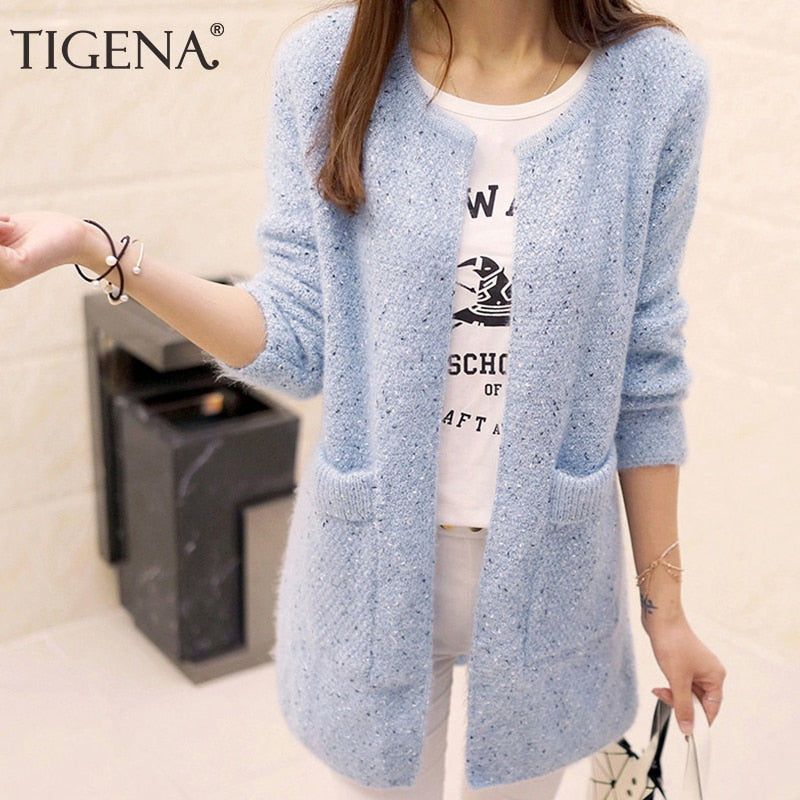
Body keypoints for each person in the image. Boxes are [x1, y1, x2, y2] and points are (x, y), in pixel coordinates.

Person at [0, 0, 726, 797]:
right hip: (371, 574)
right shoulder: (328, 65)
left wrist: (666, 609)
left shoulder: (654, 85)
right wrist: (100, 250)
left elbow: (643, 367)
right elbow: (295, 333)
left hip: (554, 578)